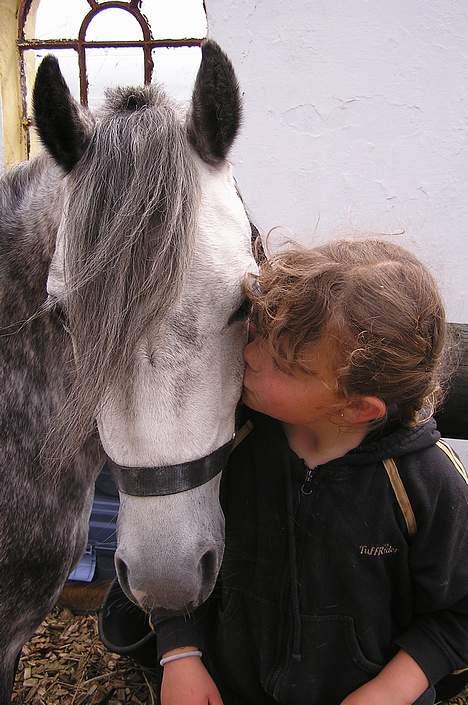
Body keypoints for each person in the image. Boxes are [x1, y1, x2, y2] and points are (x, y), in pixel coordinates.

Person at [156, 238, 468, 705]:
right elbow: (170, 554)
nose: (248, 354)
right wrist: (179, 653)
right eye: (257, 331)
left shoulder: (428, 486)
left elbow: (459, 613)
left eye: (283, 363)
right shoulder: (231, 444)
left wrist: (393, 689)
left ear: (356, 408)